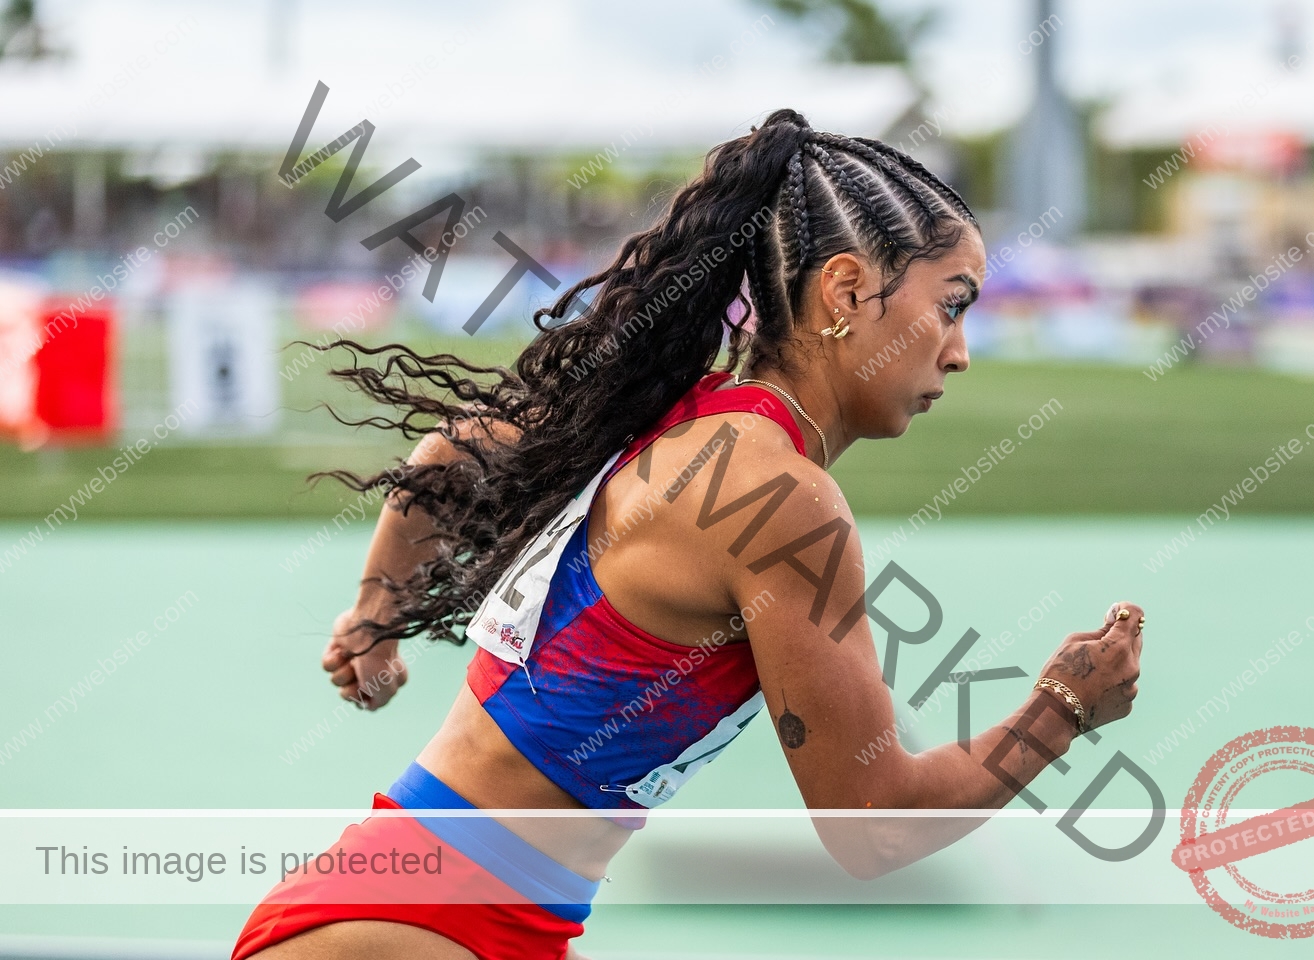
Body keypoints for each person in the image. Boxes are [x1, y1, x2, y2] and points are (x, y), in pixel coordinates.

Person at [232, 108, 1144, 960]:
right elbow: (876, 824)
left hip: (425, 907)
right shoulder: (783, 499)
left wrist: (373, 616)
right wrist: (1060, 709)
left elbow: (447, 454)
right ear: (846, 290)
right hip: (420, 926)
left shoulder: (677, 409)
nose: (960, 350)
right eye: (951, 304)